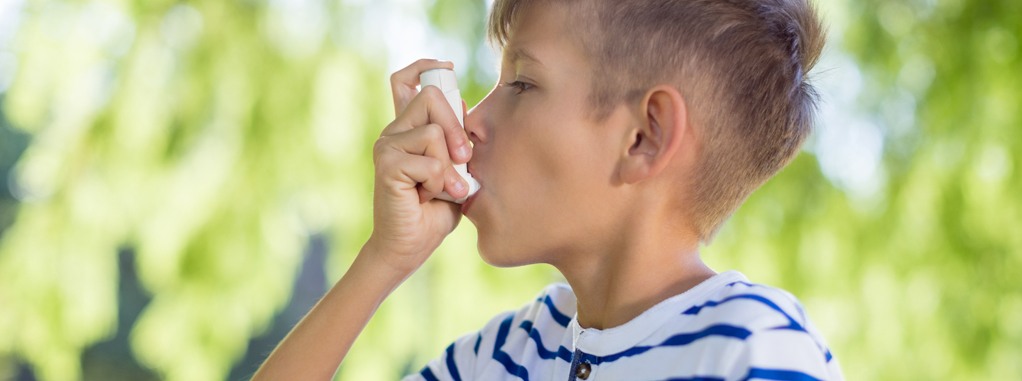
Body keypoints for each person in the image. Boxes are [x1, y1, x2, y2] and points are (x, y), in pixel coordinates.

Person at [254, 0, 842, 379]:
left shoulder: (755, 349)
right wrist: (385, 260)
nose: (472, 121)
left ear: (643, 137)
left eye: (523, 83)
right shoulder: (501, 356)